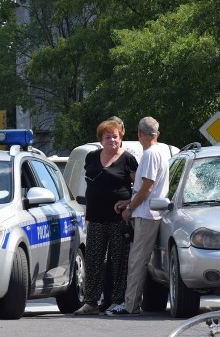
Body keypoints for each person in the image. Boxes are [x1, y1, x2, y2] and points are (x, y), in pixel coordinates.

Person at [73, 118, 138, 315]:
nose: (112, 140)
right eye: (107, 137)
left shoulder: (128, 159)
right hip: (95, 217)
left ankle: (116, 300)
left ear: (121, 138)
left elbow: (141, 188)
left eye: (115, 137)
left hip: (119, 218)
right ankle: (91, 302)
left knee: (119, 261)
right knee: (93, 260)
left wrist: (128, 204)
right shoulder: (91, 157)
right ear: (101, 140)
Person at [107, 117, 171, 316]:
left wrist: (130, 208)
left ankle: (130, 305)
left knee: (136, 261)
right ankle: (132, 302)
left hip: (146, 214)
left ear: (140, 134)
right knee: (139, 260)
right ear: (157, 134)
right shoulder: (162, 150)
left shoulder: (150, 154)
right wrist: (128, 202)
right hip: (151, 210)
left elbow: (147, 187)